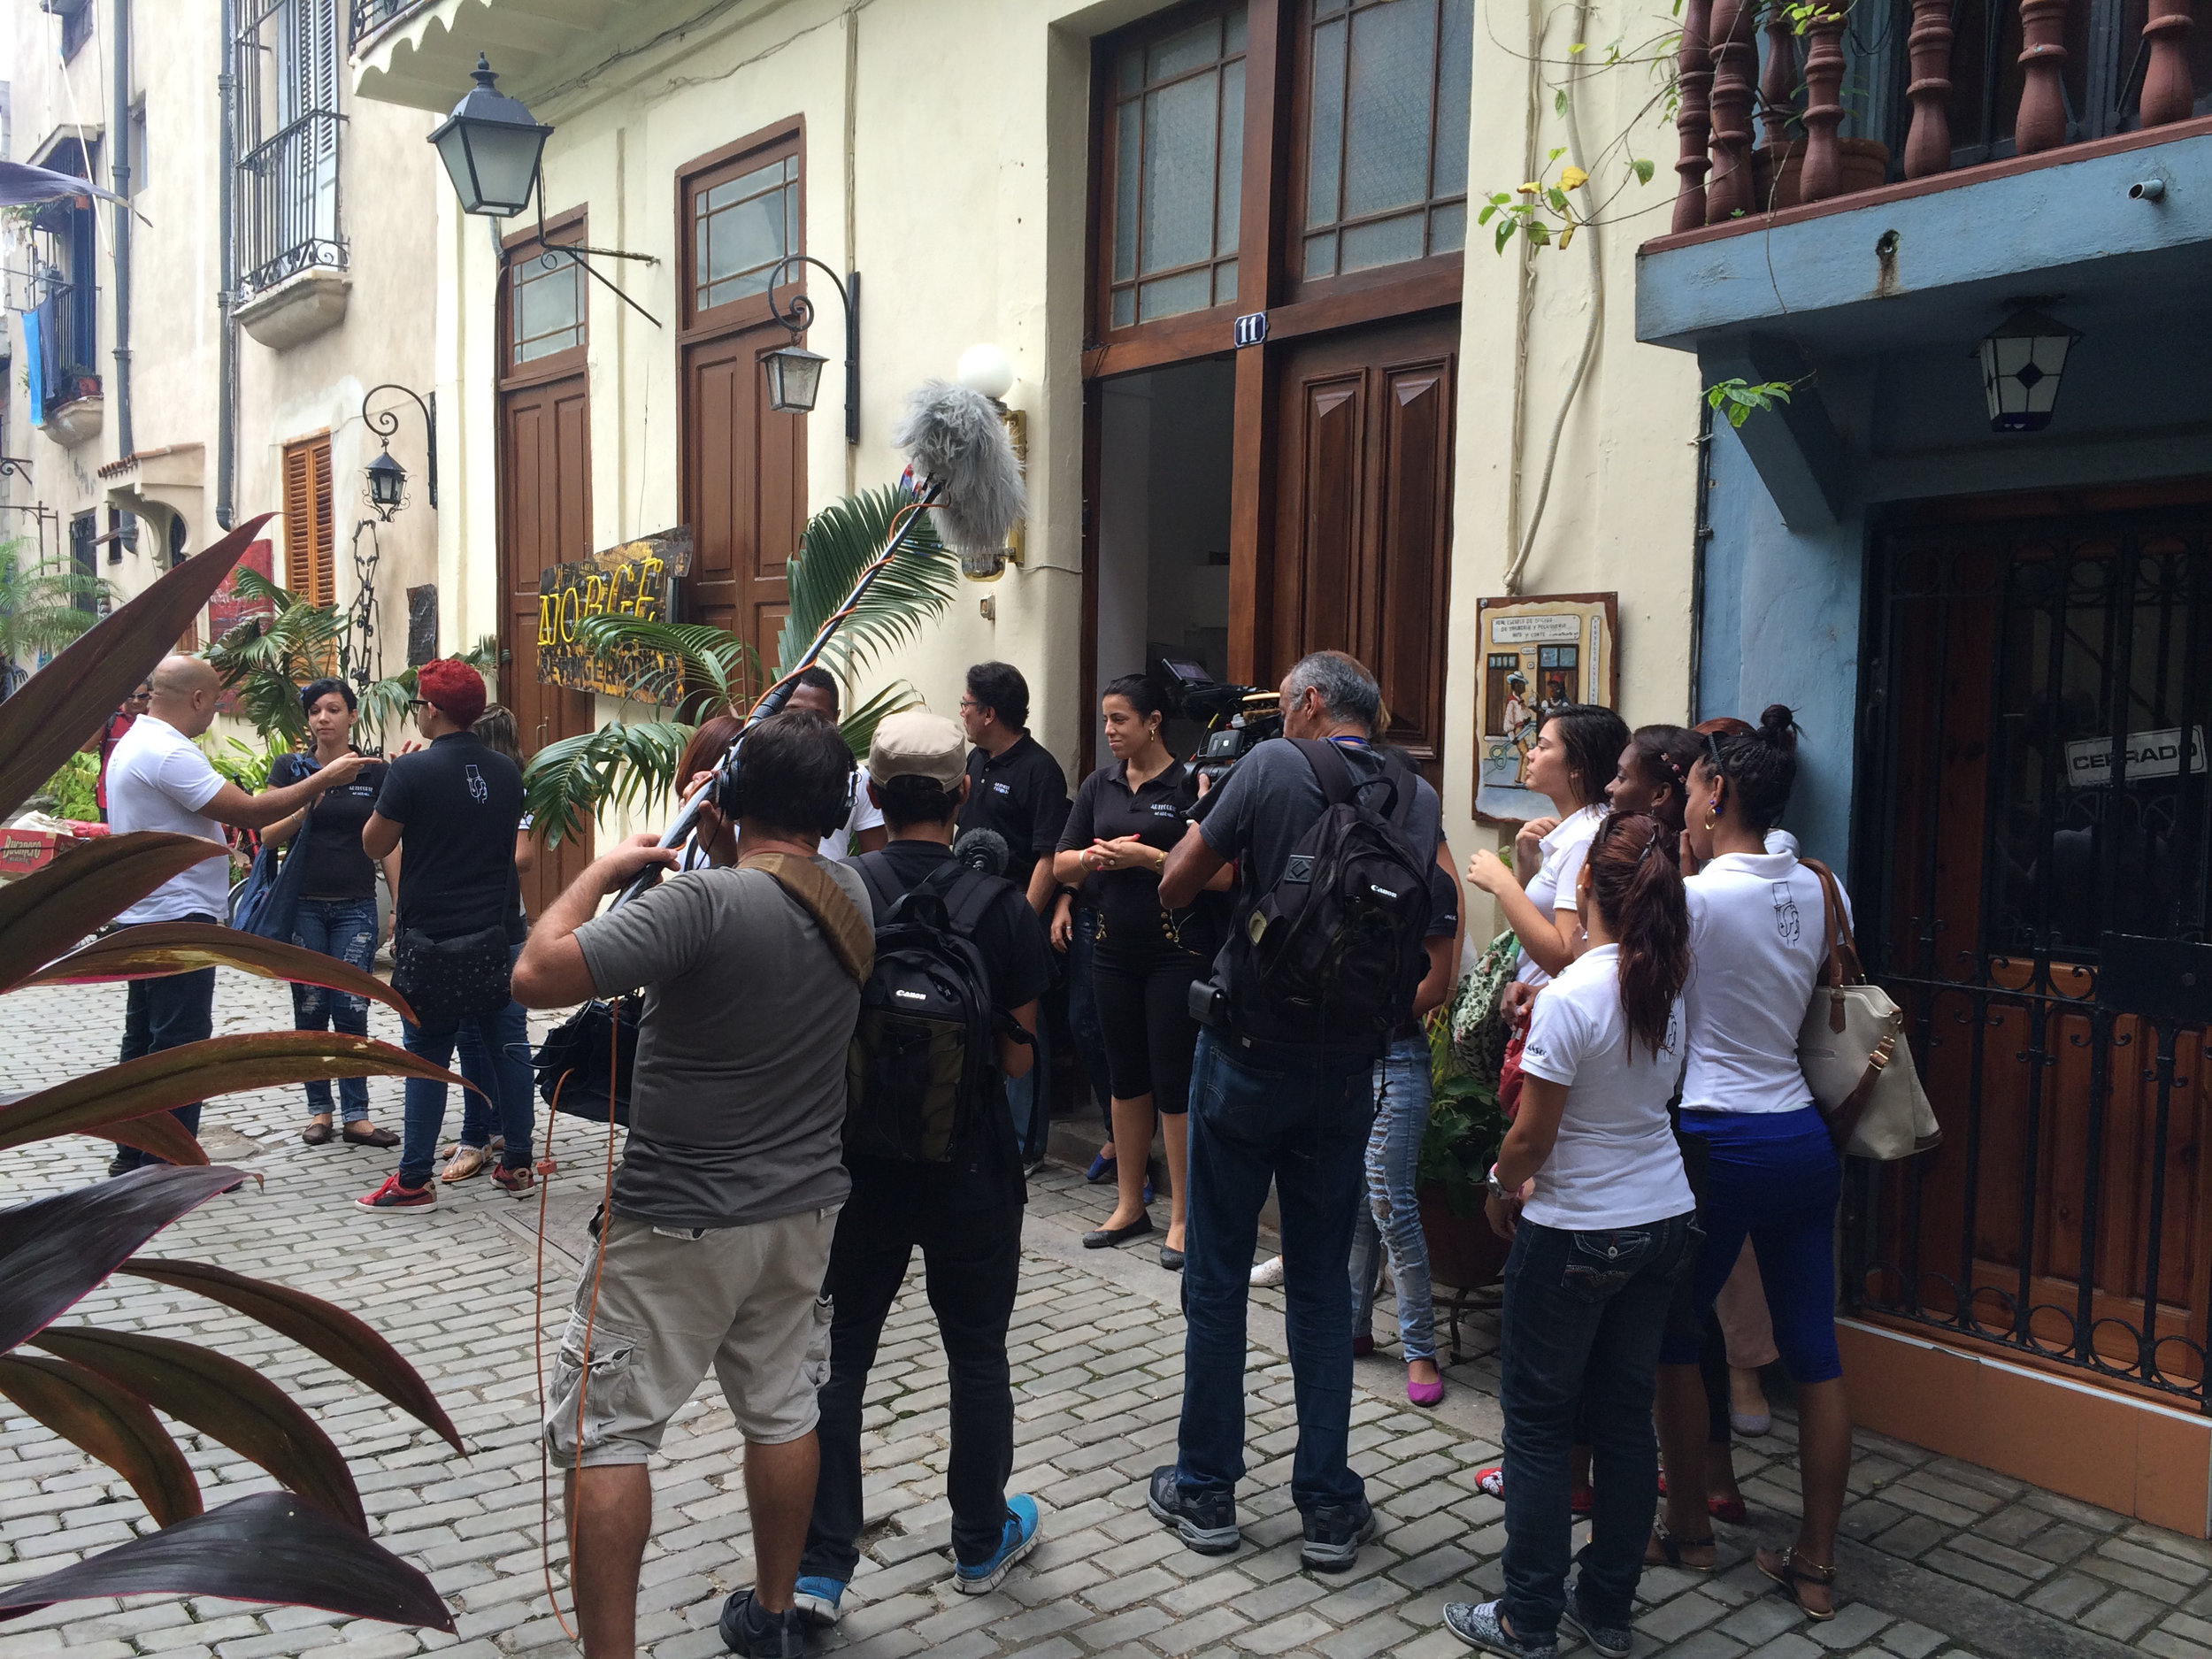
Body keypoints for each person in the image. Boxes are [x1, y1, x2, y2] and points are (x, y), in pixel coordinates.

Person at [509, 708, 872, 1659]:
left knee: (608, 1433)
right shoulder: (853, 894)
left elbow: (537, 973)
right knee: (784, 1409)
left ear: (725, 797)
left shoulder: (697, 906)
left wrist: (599, 872)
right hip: (800, 1213)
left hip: (675, 1220)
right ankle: (776, 1612)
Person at [1148, 649, 1441, 1573]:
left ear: (1309, 703)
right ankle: (1324, 1504)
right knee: (1320, 1285)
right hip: (1348, 1066)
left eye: (1284, 702)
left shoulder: (1269, 765)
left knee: (1219, 1276)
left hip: (1246, 1053)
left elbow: (1176, 881)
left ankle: (1206, 1490)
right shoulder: (1416, 794)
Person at [796, 710, 1052, 1625]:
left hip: (855, 1169)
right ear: (963, 795)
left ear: (870, 792)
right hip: (972, 1168)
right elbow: (1020, 1062)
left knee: (839, 1362)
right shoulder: (1007, 909)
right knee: (976, 1355)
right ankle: (981, 1537)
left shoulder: (837, 891)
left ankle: (823, 1567)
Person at [1441, 811, 1697, 1659]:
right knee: (1626, 1417)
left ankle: (1527, 1615)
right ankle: (1608, 1606)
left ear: (1585, 888)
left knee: (1542, 1425)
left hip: (1576, 1228)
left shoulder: (1574, 994)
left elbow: (1531, 1139)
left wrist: (1497, 1184)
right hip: (1660, 1216)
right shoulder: (1664, 981)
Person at [1650, 706, 1852, 1624]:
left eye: (1689, 785)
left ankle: (1688, 1527)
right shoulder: (1821, 885)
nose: (1683, 802)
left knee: (1673, 1336)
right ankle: (1813, 1562)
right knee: (1815, 1353)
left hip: (1716, 1135)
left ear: (1717, 789)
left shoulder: (1692, 900)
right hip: (1801, 1136)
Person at [104, 656, 367, 1174]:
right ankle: (173, 1166)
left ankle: (134, 1156)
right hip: (176, 918)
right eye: (217, 699)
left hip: (146, 912)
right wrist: (326, 779)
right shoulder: (166, 752)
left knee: (144, 1041)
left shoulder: (137, 740)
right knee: (179, 1044)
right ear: (199, 699)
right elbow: (250, 812)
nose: (217, 709)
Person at [1053, 673, 1220, 1269]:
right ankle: (1130, 1204)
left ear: (1153, 721)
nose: (1109, 731)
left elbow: (1220, 871)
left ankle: (1182, 1214)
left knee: (1172, 1082)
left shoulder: (1190, 782)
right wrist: (1092, 857)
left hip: (1177, 950)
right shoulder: (1099, 784)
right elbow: (1061, 862)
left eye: (1119, 719)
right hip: (1112, 946)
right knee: (1125, 1080)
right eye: (1105, 720)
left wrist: (1149, 857)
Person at [356, 659, 536, 1210]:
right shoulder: (507, 773)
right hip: (497, 931)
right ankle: (519, 1164)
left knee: (427, 1057)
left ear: (431, 710)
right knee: (508, 1045)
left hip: (433, 938)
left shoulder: (411, 773)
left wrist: (395, 784)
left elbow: (374, 845)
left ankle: (414, 1179)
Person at [1347, 815, 1463, 1407]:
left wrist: (1359, 1010)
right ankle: (1354, 1323)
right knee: (1359, 1200)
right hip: (1348, 1053)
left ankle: (1419, 1347)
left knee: (1390, 1199)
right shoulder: (1345, 871)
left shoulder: (1432, 886)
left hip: (1395, 1053)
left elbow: (1435, 986)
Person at [260, 677, 399, 1148]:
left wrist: (400, 906)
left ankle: (357, 1115)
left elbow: (389, 847)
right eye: (316, 710)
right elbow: (266, 835)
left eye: (334, 709)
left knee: (352, 1006)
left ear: (352, 716)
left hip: (357, 906)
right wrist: (307, 802)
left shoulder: (374, 773)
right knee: (312, 1007)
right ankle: (319, 1110)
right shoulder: (290, 769)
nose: (324, 718)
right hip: (302, 907)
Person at [958, 661, 1070, 1167]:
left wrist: (1023, 920)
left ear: (989, 712)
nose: (960, 712)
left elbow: (1049, 853)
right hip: (969, 914)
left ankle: (1026, 1144)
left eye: (966, 704)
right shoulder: (974, 762)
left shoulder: (1039, 770)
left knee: (1024, 1028)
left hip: (1017, 916)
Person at [1465, 704, 1631, 997]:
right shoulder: (1575, 830)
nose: (1530, 754)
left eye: (1543, 747)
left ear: (1577, 766)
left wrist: (1503, 885)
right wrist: (1527, 867)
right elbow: (1541, 922)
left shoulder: (1585, 838)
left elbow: (1566, 956)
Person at [440, 703, 540, 1183]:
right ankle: (501, 1134)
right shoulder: (504, 785)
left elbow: (524, 857)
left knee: (487, 1038)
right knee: (493, 1037)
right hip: (497, 924)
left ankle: (481, 1138)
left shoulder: (511, 788)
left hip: (490, 926)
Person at [787, 666, 889, 856]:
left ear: (835, 718)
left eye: (817, 716)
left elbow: (875, 857)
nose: (802, 724)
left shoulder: (856, 777)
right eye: (792, 712)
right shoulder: (744, 764)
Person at [95, 680, 150, 821]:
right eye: (130, 696)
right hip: (110, 795)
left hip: (145, 796)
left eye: (142, 696)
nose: (136, 701)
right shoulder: (111, 718)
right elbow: (86, 747)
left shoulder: (155, 719)